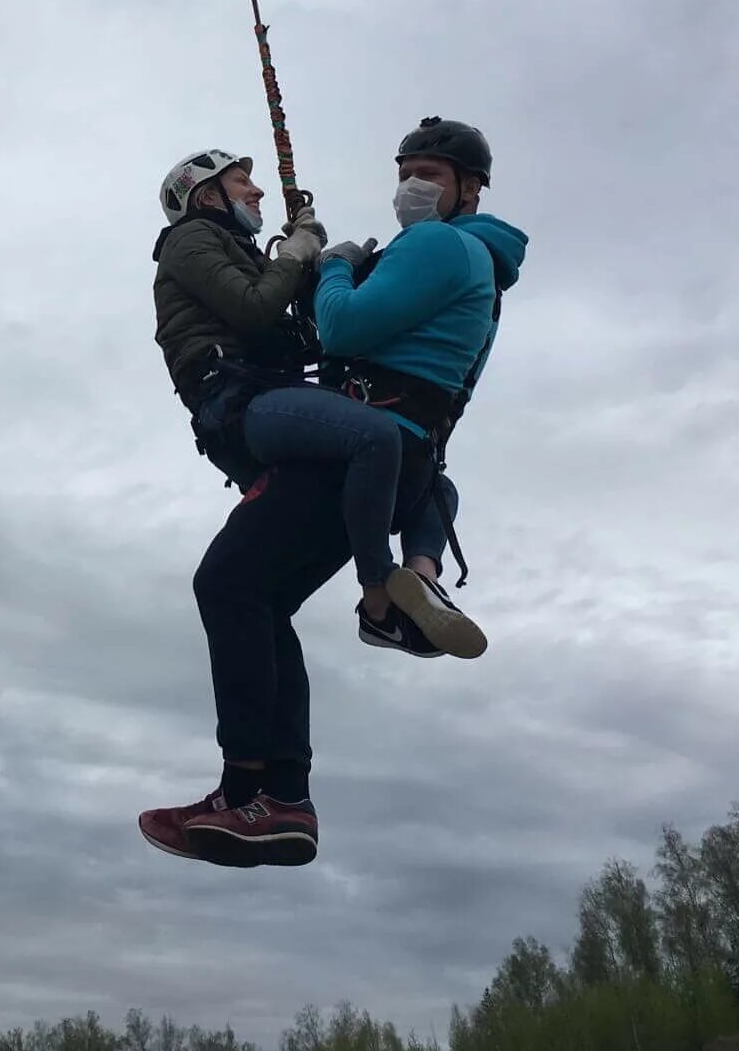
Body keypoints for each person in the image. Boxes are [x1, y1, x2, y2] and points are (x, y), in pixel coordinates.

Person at [140, 119, 528, 868]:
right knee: (253, 596)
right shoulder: (478, 260)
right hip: (351, 430)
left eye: (431, 174)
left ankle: (259, 783)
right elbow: (310, 327)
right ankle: (283, 794)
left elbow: (337, 329)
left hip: (348, 436)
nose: (412, 186)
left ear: (469, 188)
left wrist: (327, 266)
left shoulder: (439, 246)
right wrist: (310, 270)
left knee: (228, 586)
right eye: (406, 171)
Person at [152, 150, 446, 616]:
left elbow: (298, 336)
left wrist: (326, 272)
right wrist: (292, 256)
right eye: (241, 181)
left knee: (429, 476)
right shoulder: (189, 239)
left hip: (268, 395)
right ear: (208, 196)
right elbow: (253, 308)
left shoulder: (239, 250)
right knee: (374, 435)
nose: (257, 189)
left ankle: (425, 581)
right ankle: (379, 591)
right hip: (234, 401)